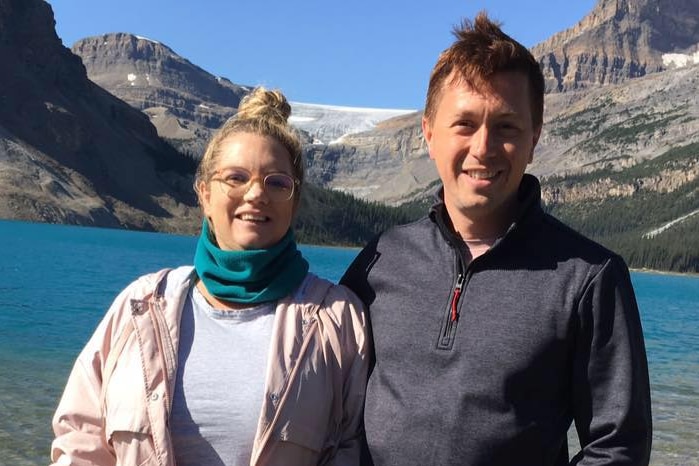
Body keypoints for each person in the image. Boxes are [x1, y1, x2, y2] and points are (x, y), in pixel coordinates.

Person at [341, 12, 652, 466]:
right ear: (429, 134)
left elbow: (617, 446)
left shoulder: (588, 278)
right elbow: (325, 393)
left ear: (534, 138)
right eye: (464, 124)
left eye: (506, 126)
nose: (483, 148)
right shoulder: (382, 259)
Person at [51, 87, 369, 466]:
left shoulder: (336, 318)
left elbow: (354, 448)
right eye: (235, 177)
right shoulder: (139, 306)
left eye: (277, 183)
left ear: (295, 201)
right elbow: (80, 437)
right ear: (204, 193)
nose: (255, 194)